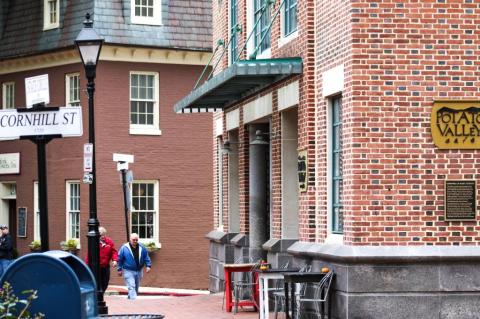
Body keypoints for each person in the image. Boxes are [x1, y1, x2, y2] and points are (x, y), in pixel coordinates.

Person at [117, 233, 152, 300]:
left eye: (136, 240)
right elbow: (120, 258)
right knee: (131, 286)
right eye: (134, 240)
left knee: (136, 287)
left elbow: (146, 257)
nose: (135, 241)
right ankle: (134, 301)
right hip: (128, 270)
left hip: (139, 270)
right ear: (130, 239)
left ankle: (130, 299)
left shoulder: (142, 247)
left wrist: (148, 266)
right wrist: (119, 269)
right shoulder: (124, 248)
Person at [85, 226, 118, 293]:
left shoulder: (109, 242)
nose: (103, 236)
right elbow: (89, 255)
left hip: (105, 267)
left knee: (105, 283)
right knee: (97, 283)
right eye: (101, 235)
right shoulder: (94, 242)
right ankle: (98, 298)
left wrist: (115, 260)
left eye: (104, 235)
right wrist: (86, 266)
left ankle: (101, 294)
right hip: (96, 267)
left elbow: (113, 252)